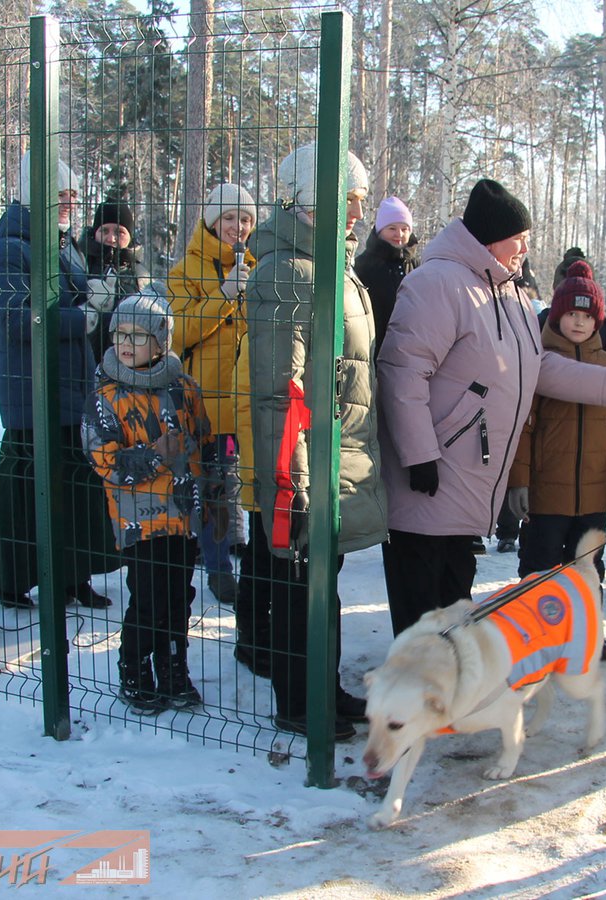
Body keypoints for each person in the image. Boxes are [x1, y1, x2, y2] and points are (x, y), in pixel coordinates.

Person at [378, 178, 606, 636]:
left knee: (453, 599)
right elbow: (402, 372)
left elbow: (534, 368)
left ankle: (446, 693)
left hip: (465, 476)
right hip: (430, 474)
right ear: (491, 238)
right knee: (423, 604)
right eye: (518, 239)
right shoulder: (438, 284)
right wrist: (418, 455)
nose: (525, 248)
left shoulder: (510, 292)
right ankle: (415, 702)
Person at [246, 143, 387, 739]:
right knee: (301, 585)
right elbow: (281, 390)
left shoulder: (330, 265)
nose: (358, 213)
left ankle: (321, 688)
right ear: (313, 199)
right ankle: (299, 702)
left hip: (337, 457)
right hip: (307, 465)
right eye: (349, 201)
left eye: (360, 202)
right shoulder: (286, 272)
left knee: (320, 585)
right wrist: (294, 484)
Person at [0, 151, 117, 610]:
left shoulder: (61, 243)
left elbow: (72, 296)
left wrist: (98, 297)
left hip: (71, 385)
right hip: (32, 392)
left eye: (72, 196)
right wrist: (78, 320)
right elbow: (15, 319)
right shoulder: (12, 248)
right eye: (59, 195)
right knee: (24, 490)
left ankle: (72, 576)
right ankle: (9, 578)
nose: (68, 204)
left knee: (77, 486)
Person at [82, 288, 217, 713]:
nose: (125, 343)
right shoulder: (105, 396)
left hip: (182, 514)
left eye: (138, 336)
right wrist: (156, 454)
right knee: (148, 598)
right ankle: (135, 669)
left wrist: (211, 494)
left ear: (161, 341)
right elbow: (104, 460)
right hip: (138, 519)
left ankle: (175, 671)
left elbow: (205, 441)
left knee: (179, 596)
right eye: (119, 333)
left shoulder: (184, 388)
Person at [506, 260, 606, 660]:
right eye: (571, 314)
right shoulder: (537, 362)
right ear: (557, 315)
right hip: (546, 495)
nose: (579, 323)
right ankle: (535, 633)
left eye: (587, 316)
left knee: (587, 569)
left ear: (597, 320)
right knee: (539, 566)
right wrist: (520, 481)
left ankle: (587, 631)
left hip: (594, 495)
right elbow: (523, 429)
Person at [166, 183, 258, 607]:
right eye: (229, 218)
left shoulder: (259, 265)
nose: (237, 228)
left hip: (252, 397)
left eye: (245, 220)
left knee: (254, 482)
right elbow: (178, 332)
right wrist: (223, 297)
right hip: (209, 401)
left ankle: (252, 562)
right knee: (215, 486)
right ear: (211, 220)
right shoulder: (186, 270)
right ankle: (218, 568)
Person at [79, 198, 151, 363]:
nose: (111, 238)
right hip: (83, 361)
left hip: (127, 364)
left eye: (119, 232)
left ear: (130, 236)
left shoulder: (141, 274)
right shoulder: (79, 265)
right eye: (104, 231)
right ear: (94, 232)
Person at [353, 195, 420, 353]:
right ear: (380, 231)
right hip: (374, 347)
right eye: (392, 228)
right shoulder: (363, 265)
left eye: (404, 229)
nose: (399, 234)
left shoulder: (417, 266)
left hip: (410, 351)